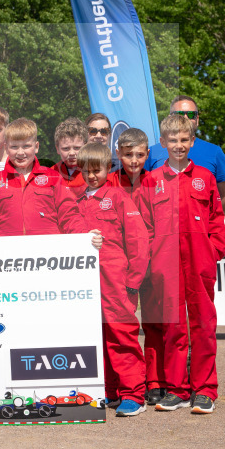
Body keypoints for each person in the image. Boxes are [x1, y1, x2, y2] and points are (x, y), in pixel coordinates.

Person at [138, 115, 225, 414]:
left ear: (192, 141)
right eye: (172, 140)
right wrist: (152, 260)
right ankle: (177, 389)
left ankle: (205, 389)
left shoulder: (205, 177)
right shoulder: (151, 181)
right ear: (162, 143)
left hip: (199, 261)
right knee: (173, 327)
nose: (178, 145)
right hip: (165, 264)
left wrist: (213, 250)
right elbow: (145, 226)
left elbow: (216, 219)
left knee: (203, 324)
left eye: (184, 139)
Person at [75, 142, 148, 416]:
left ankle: (134, 394)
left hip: (116, 281)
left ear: (109, 168)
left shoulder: (118, 198)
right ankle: (110, 391)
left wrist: (133, 281)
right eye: (87, 171)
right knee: (95, 336)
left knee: (121, 335)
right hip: (85, 283)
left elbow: (139, 241)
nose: (92, 176)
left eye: (97, 170)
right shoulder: (78, 201)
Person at [144, 96, 225, 212]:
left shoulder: (214, 152)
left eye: (191, 115)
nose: (185, 118)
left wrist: (206, 223)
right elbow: (140, 196)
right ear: (170, 117)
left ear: (197, 119)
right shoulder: (152, 153)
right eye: (179, 114)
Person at [51, 117, 89, 197]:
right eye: (66, 148)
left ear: (85, 146)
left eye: (77, 148)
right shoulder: (51, 174)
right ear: (57, 149)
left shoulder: (95, 173)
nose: (72, 153)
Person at [107, 128, 149, 195]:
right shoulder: (109, 182)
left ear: (147, 154)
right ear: (118, 154)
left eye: (140, 155)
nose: (134, 161)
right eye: (128, 155)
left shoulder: (154, 181)